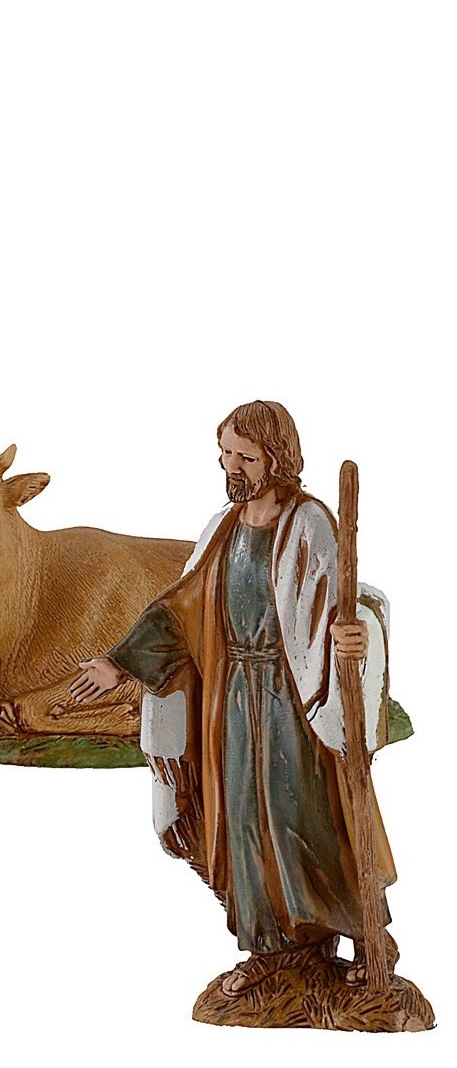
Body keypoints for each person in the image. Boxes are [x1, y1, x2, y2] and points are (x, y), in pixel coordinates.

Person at [70, 401, 396, 996]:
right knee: (243, 824)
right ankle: (270, 949)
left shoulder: (309, 523)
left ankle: (364, 935)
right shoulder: (224, 528)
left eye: (245, 457)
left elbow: (344, 607)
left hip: (295, 701)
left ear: (277, 457)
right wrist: (118, 663)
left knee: (306, 821)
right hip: (234, 700)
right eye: (225, 454)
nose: (231, 467)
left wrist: (355, 637)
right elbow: (180, 609)